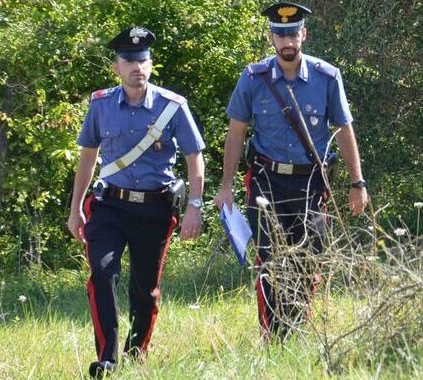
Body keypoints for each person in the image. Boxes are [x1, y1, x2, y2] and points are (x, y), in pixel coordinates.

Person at [214, 2, 369, 341]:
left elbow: (343, 130)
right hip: (266, 181)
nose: (287, 41)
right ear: (271, 37)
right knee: (269, 259)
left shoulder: (327, 77)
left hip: (310, 183)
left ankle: (295, 326)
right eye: (280, 34)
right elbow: (236, 131)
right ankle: (273, 335)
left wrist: (357, 182)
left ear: (303, 34)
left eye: (293, 33)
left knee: (307, 259)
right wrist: (226, 186)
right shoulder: (253, 78)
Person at [67, 26, 205, 377]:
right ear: (116, 66)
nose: (136, 67)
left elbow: (194, 157)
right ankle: (107, 358)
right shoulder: (100, 105)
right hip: (109, 206)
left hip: (155, 208)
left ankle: (136, 351)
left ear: (150, 63)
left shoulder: (172, 107)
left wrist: (195, 205)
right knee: (102, 273)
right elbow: (87, 157)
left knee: (145, 289)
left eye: (142, 60)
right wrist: (75, 209)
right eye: (128, 60)